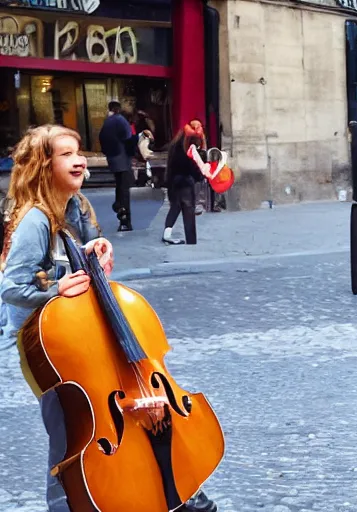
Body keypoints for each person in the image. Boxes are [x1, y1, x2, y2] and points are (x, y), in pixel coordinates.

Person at [0, 125, 217, 512]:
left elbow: (81, 255)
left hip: (80, 327)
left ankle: (154, 483)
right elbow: (11, 286)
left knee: (114, 399)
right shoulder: (34, 221)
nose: (79, 159)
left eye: (78, 150)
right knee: (69, 432)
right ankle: (67, 504)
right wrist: (54, 290)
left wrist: (96, 248)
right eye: (66, 154)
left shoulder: (75, 204)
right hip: (46, 343)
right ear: (43, 165)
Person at [98, 101, 142, 232]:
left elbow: (102, 138)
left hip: (113, 158)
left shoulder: (108, 122)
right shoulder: (121, 121)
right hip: (122, 159)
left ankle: (118, 206)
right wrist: (138, 137)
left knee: (120, 186)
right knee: (124, 190)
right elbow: (129, 141)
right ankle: (125, 219)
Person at [162, 120, 207, 245]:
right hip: (185, 181)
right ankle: (191, 240)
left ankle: (167, 234)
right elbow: (191, 165)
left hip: (173, 180)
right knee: (188, 210)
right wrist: (200, 175)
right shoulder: (187, 146)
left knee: (175, 207)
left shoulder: (175, 144)